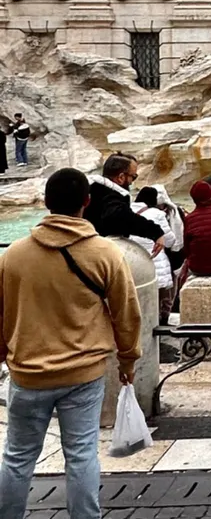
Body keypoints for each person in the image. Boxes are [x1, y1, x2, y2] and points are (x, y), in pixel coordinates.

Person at [0, 167, 141, 519]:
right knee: (81, 455)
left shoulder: (13, 255)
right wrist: (128, 360)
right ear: (87, 203)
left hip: (28, 372)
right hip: (83, 374)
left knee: (17, 457)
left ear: (45, 203)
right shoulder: (105, 253)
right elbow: (127, 313)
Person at [84, 154, 167, 249]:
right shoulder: (109, 196)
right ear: (121, 177)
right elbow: (121, 217)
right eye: (133, 176)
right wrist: (155, 232)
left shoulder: (90, 191)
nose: (132, 182)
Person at [131, 185, 179, 324]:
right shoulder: (157, 214)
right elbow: (170, 241)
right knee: (160, 299)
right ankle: (160, 326)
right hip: (156, 262)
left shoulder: (126, 210)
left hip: (133, 261)